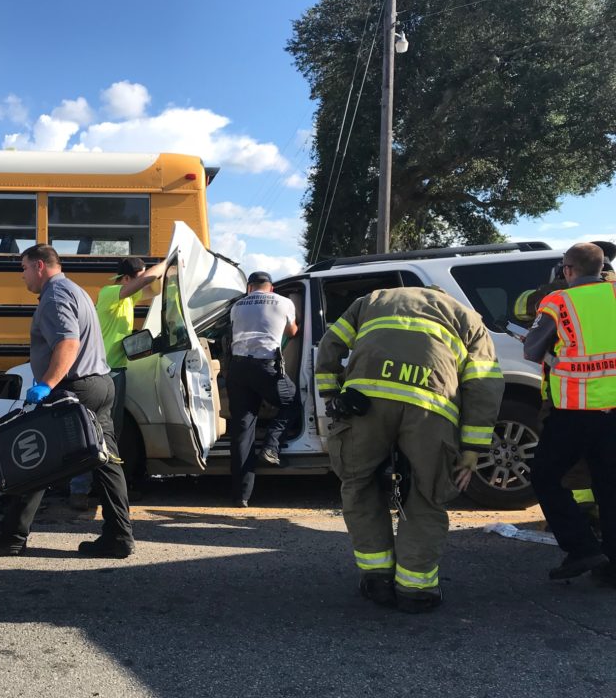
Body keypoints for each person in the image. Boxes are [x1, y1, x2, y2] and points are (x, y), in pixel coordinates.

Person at [315, 285, 504, 613]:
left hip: (366, 405)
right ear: (440, 295)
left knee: (358, 484)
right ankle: (416, 590)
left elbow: (330, 345)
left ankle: (377, 578)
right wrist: (472, 448)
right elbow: (484, 384)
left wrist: (333, 395)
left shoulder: (372, 299)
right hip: (430, 410)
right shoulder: (467, 317)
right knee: (428, 495)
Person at [0, 244, 135, 558]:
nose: (23, 276)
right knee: (107, 463)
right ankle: (119, 536)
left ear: (40, 266)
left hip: (74, 390)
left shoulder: (55, 296)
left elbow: (68, 343)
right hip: (99, 384)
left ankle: (11, 535)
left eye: (24, 268)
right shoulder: (76, 291)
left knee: (35, 458)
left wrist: (46, 385)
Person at [523, 242, 616, 583]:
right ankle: (612, 571)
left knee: (545, 476)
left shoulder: (557, 301)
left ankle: (582, 547)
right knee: (610, 485)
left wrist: (554, 357)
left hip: (575, 410)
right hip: (613, 410)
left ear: (568, 270)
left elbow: (532, 350)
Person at [68, 256, 165, 510]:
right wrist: (167, 263)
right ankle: (79, 489)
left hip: (116, 371)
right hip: (100, 373)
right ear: (126, 279)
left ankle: (103, 488)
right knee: (90, 430)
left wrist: (169, 272)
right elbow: (147, 280)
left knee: (111, 434)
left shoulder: (129, 297)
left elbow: (154, 287)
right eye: (138, 277)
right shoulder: (111, 292)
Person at [227, 271, 299, 507]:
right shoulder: (283, 302)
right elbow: (292, 332)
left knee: (242, 430)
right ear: (271, 287)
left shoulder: (237, 306)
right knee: (291, 402)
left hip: (237, 369)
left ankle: (241, 495)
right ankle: (270, 446)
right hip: (266, 368)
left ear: (250, 287)